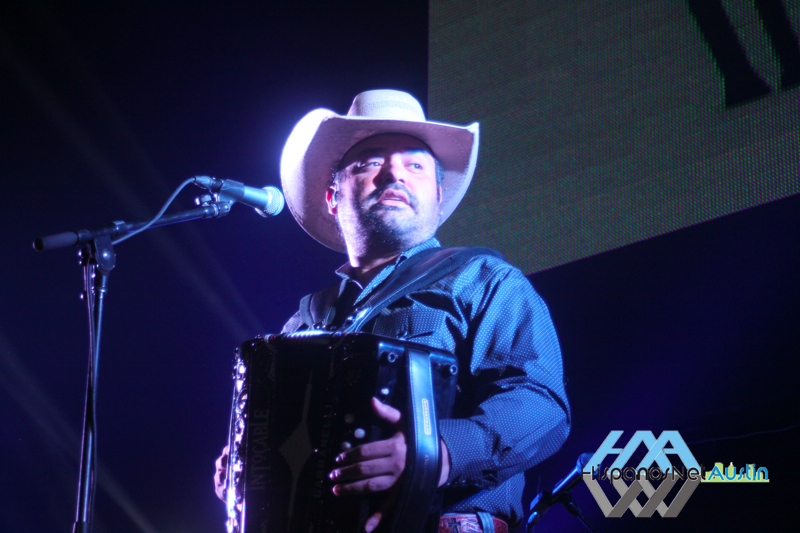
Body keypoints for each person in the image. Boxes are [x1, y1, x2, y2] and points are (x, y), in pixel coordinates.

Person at [214, 89, 570, 533]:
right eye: (369, 163)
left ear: (437, 195)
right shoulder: (303, 322)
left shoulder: (484, 280)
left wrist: (435, 453)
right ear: (332, 196)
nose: (394, 174)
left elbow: (541, 406)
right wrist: (246, 465)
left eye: (414, 165)